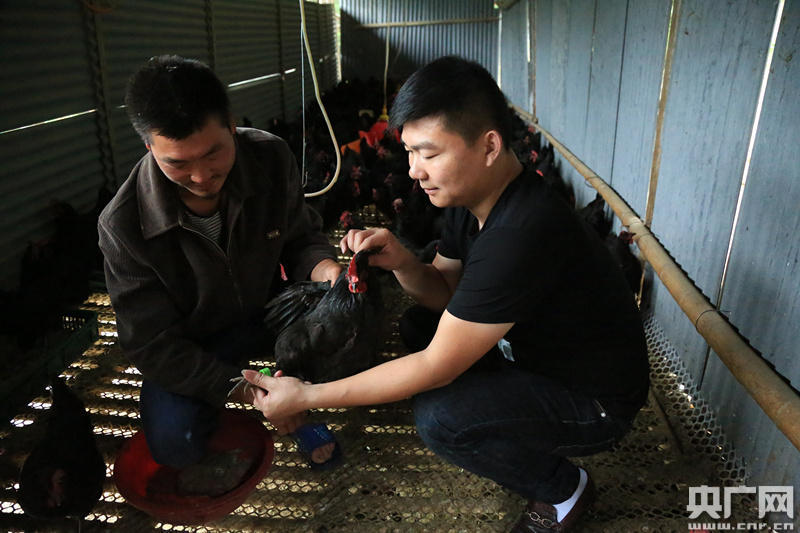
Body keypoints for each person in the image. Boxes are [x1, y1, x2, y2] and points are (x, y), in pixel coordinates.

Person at [242, 55, 650, 532]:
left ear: (489, 145)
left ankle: (563, 489)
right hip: (534, 355)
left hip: (594, 401)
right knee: (419, 324)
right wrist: (403, 261)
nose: (415, 170)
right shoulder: (470, 201)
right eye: (409, 152)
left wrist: (307, 396)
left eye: (429, 154)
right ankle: (508, 417)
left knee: (442, 418)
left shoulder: (520, 232)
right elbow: (443, 291)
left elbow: (435, 366)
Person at [98, 55, 342, 481]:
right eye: (177, 163)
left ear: (232, 125)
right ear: (149, 148)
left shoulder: (270, 156)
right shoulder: (123, 226)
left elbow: (301, 238)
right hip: (195, 342)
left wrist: (325, 270)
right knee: (176, 444)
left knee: (348, 335)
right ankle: (268, 400)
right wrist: (246, 389)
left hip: (270, 311)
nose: (201, 176)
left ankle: (293, 396)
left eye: (214, 153)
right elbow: (152, 345)